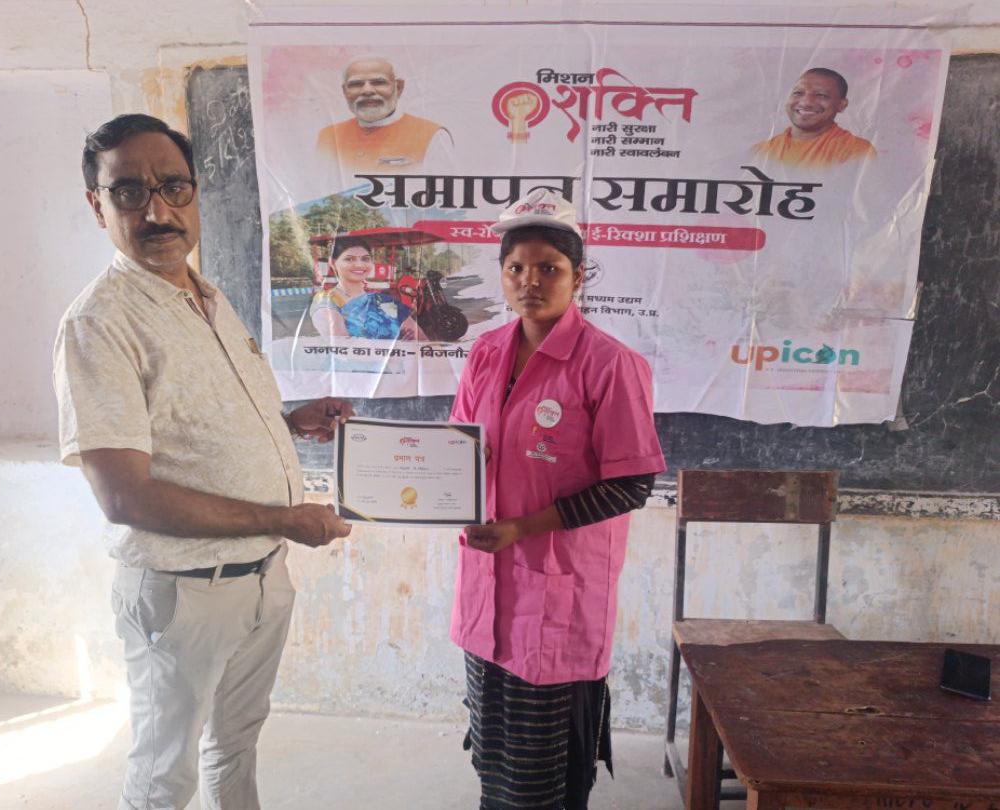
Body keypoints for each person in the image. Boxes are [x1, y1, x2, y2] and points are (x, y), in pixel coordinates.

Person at [53, 113, 354, 810]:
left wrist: (290, 424)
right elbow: (125, 496)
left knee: (236, 744)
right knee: (165, 776)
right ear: (98, 206)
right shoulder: (100, 323)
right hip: (185, 595)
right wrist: (283, 517)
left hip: (262, 579)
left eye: (172, 187)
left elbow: (191, 427)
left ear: (194, 194)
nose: (157, 211)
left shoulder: (206, 296)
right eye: (129, 192)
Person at [449, 189, 666, 810]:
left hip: (556, 594)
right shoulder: (486, 352)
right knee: (493, 755)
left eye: (549, 268)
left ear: (579, 276)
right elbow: (459, 447)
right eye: (516, 268)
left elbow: (632, 484)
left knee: (543, 773)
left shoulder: (609, 364)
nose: (530, 281)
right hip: (486, 583)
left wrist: (522, 528)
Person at [315, 56, 453, 173]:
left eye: (378, 82)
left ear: (398, 87)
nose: (367, 91)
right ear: (345, 91)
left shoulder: (433, 135)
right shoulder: (328, 136)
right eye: (356, 84)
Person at [752, 68, 877, 167]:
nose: (806, 102)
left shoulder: (856, 151)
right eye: (798, 93)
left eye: (821, 95)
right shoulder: (760, 151)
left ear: (842, 105)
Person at [309, 236, 423, 340]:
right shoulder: (326, 301)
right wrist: (396, 346)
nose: (359, 265)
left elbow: (423, 342)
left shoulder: (383, 300)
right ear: (333, 263)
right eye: (349, 259)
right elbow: (343, 348)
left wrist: (407, 343)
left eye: (365, 259)